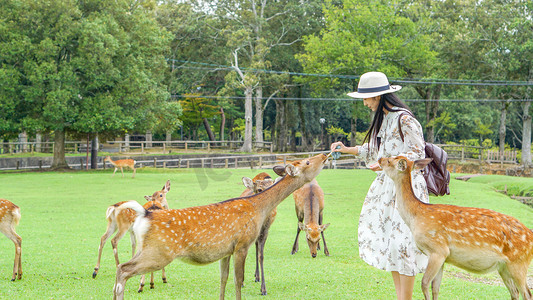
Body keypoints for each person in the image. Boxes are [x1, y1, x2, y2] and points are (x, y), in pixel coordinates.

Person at [330, 72, 429, 300]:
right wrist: (346, 149)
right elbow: (373, 151)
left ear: (380, 96)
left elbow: (417, 153)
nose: (365, 103)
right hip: (387, 187)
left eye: (368, 98)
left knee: (404, 243)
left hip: (406, 187)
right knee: (391, 244)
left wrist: (388, 163)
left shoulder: (404, 119)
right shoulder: (383, 119)